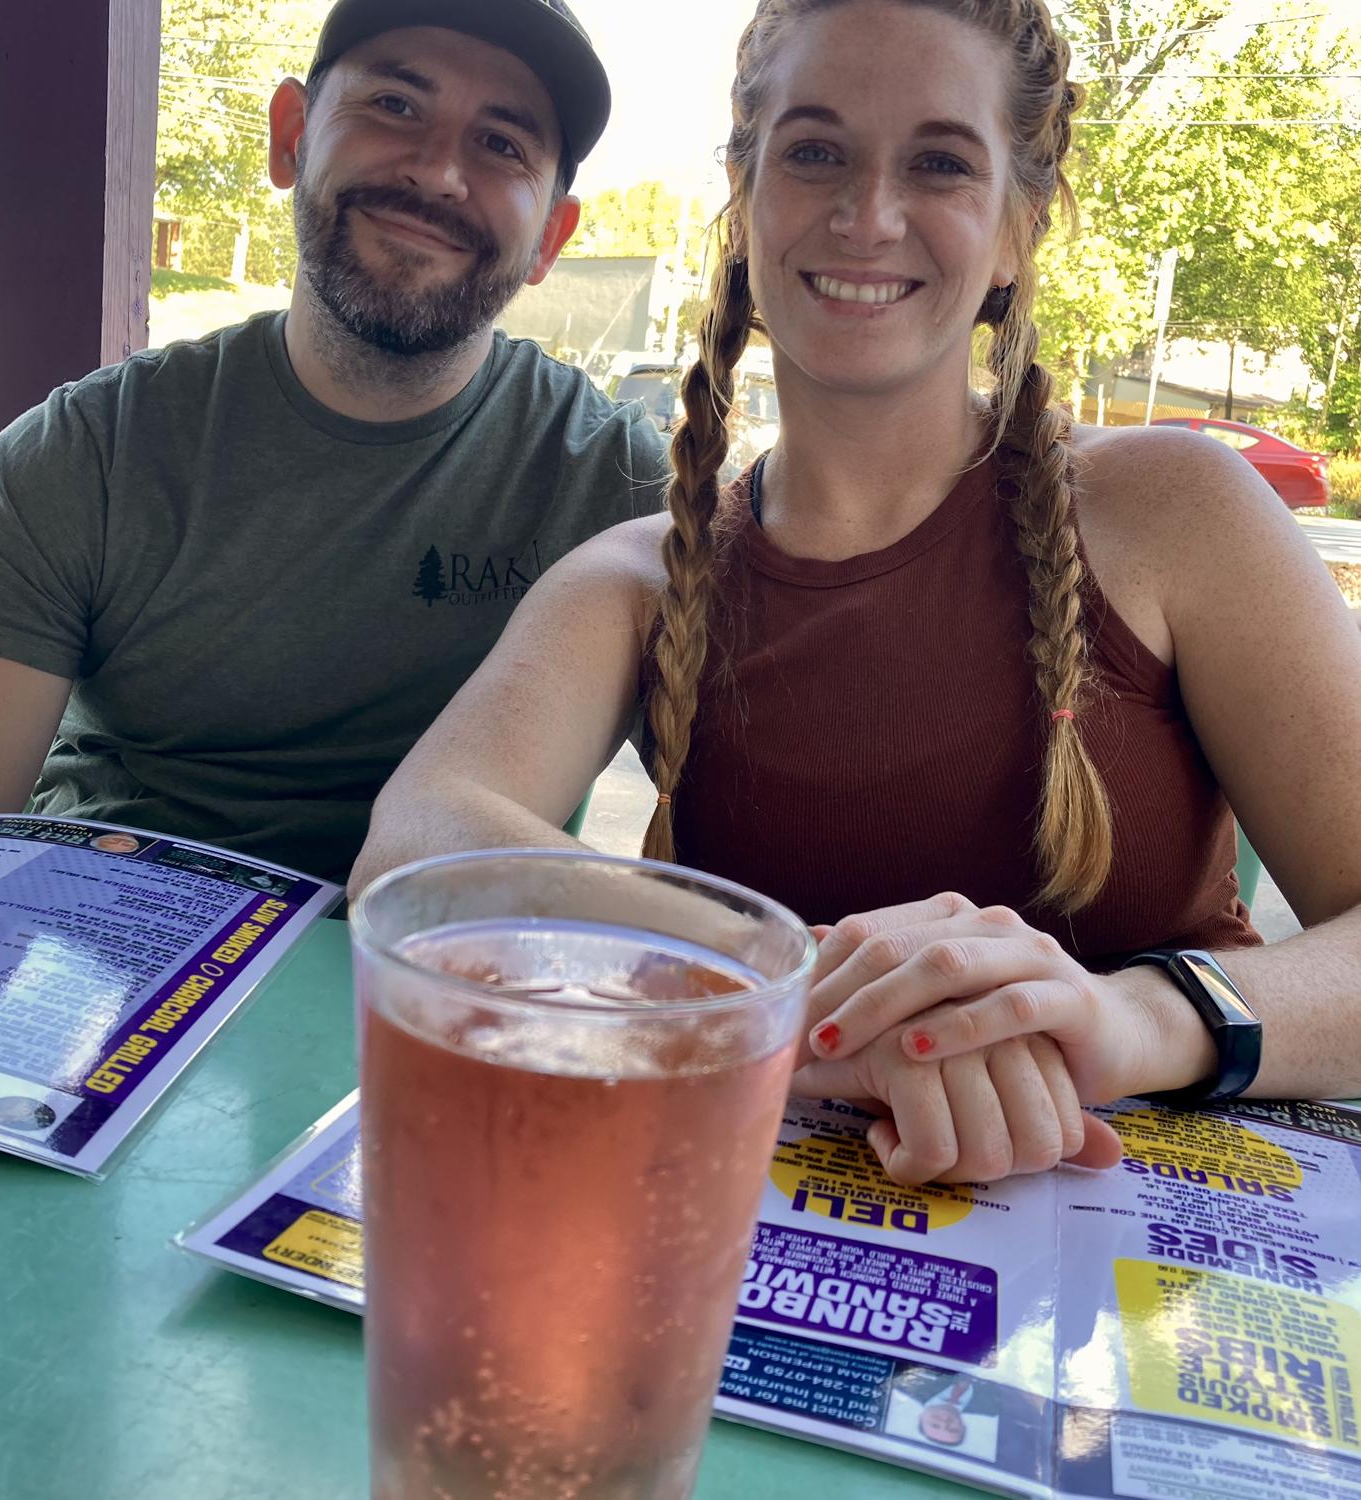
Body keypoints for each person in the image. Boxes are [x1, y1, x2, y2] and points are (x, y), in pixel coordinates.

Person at [353, 0, 1361, 1184]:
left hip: (1163, 1290)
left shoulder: (1170, 508)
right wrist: (802, 983)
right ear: (745, 194)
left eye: (939, 163)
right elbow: (418, 844)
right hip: (768, 1272)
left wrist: (1124, 1021)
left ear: (1018, 228)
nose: (866, 216)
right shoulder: (642, 580)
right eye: (815, 151)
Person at [0, 0, 667, 884]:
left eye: (502, 144)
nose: (439, 172)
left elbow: (772, 804)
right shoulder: (87, 454)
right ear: (292, 137)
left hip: (429, 988)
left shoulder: (615, 485)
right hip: (100, 954)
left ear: (552, 235)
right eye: (395, 105)